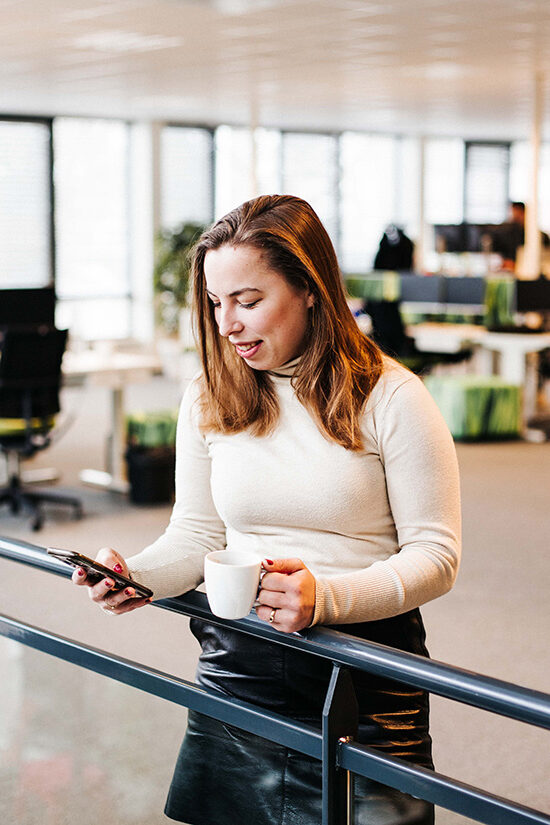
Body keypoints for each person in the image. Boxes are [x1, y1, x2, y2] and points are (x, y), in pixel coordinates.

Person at [72, 194, 461, 825]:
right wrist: (135, 574)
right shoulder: (207, 392)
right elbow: (196, 534)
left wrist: (325, 598)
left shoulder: (394, 396)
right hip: (239, 669)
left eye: (248, 301)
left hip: (360, 679)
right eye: (216, 302)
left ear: (310, 289)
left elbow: (436, 557)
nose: (227, 324)